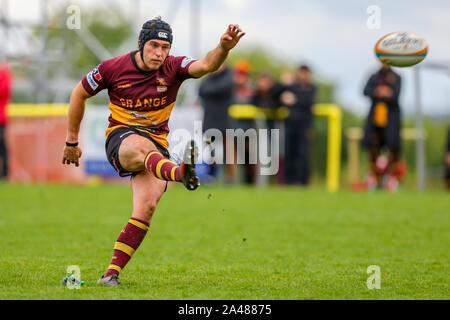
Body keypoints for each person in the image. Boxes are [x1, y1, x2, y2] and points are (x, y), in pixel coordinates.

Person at [62, 17, 245, 286]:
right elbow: (79, 94)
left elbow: (207, 65)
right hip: (121, 139)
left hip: (157, 149)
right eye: (154, 45)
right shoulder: (112, 68)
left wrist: (224, 48)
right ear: (141, 44)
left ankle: (110, 274)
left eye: (165, 47)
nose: (160, 53)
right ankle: (180, 173)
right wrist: (71, 141)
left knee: (146, 208)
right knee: (141, 146)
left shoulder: (173, 66)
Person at [362, 63, 402, 191]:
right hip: (375, 120)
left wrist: (387, 93)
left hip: (391, 120)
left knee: (393, 149)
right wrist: (377, 92)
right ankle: (376, 179)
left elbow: (396, 95)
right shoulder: (374, 76)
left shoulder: (396, 77)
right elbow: (365, 91)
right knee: (372, 148)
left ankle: (392, 180)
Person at [198, 61, 234, 183]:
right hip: (209, 121)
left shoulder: (229, 77)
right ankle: (212, 176)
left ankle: (230, 178)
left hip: (225, 121)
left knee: (229, 151)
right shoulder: (209, 78)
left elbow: (217, 88)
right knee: (211, 151)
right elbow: (202, 90)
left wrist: (210, 90)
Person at [281, 65, 317, 186]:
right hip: (290, 124)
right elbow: (279, 94)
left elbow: (308, 101)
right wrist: (284, 84)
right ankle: (288, 181)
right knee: (289, 152)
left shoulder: (312, 88)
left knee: (303, 155)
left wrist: (295, 99)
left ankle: (302, 182)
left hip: (305, 126)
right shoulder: (291, 87)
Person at [230, 60, 256, 184]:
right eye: (239, 74)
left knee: (250, 160)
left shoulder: (253, 91)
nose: (240, 78)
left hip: (248, 131)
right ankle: (231, 182)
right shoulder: (229, 90)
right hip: (231, 130)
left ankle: (249, 183)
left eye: (243, 75)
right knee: (231, 159)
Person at [0, 61, 12, 180]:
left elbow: (3, 91)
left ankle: (5, 173)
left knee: (1, 145)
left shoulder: (4, 76)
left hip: (1, 119)